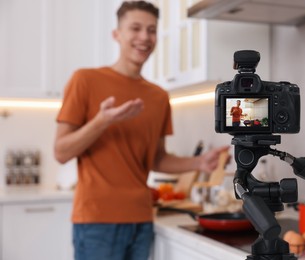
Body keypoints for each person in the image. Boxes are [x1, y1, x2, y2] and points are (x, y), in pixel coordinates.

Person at [53, 1, 228, 260]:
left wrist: (200, 162)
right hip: (97, 221)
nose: (144, 37)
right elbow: (61, 151)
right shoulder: (85, 80)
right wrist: (102, 121)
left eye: (151, 30)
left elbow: (157, 159)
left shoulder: (158, 97)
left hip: (142, 220)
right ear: (117, 34)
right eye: (135, 28)